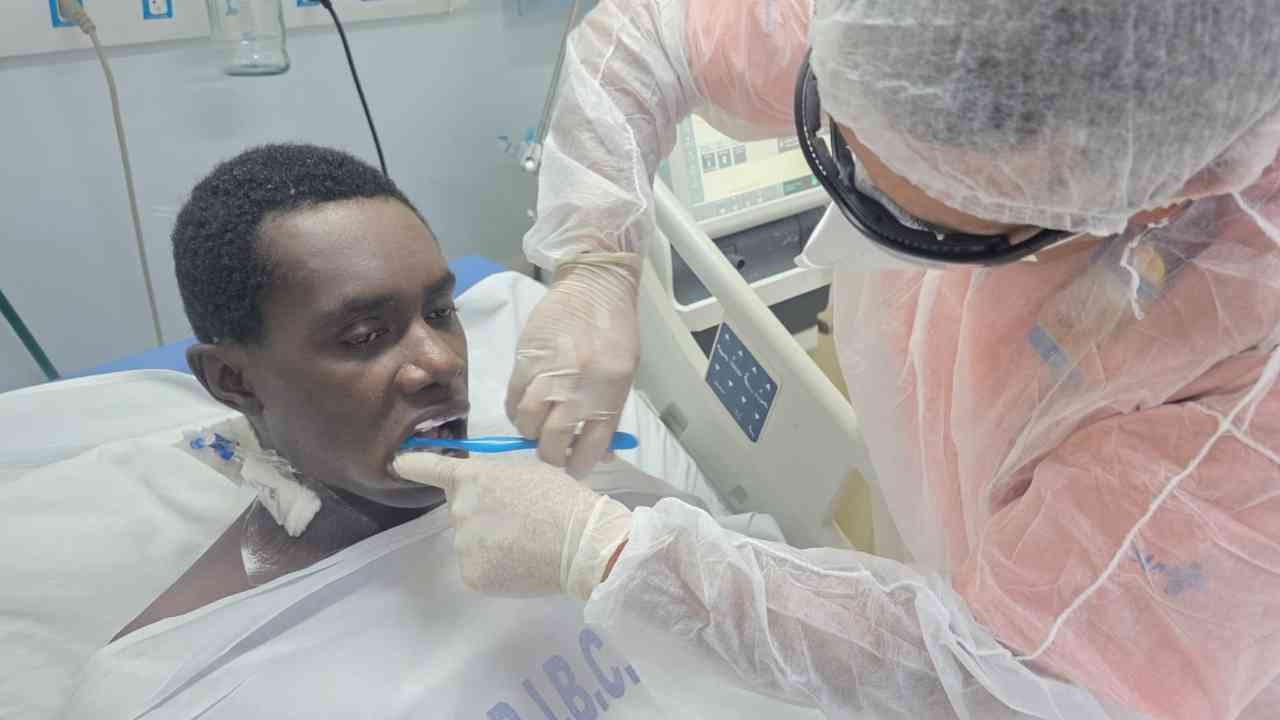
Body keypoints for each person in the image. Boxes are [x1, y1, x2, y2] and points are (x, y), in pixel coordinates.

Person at [392, 1, 1280, 718]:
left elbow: (1012, 685)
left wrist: (614, 555)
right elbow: (642, 39)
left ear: (1140, 207)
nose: (853, 200)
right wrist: (596, 260)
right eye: (837, 133)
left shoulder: (1240, 399)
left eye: (918, 221)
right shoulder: (927, 27)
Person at [59, 143, 793, 718]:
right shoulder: (177, 683)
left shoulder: (582, 496)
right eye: (364, 336)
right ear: (234, 380)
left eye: (441, 312)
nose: (440, 361)